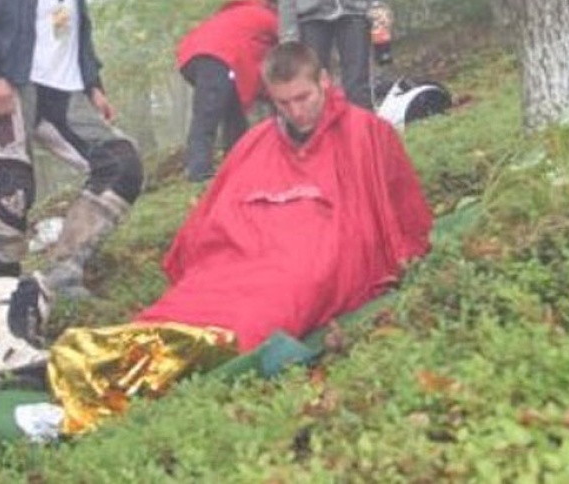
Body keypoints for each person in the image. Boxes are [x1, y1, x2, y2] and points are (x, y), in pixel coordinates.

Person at [46, 43, 433, 433]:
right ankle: (127, 351)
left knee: (288, 290)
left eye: (304, 97)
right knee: (204, 285)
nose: (297, 111)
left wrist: (403, 254)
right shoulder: (257, 141)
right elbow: (215, 213)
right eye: (284, 103)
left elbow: (401, 205)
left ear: (325, 82)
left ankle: (185, 360)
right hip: (247, 249)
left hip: (316, 249)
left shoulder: (366, 132)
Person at [0, 0, 144, 378]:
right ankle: (0, 339)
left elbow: (77, 17)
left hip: (64, 88)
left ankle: (62, 273)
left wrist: (94, 81)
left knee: (122, 163)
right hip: (13, 80)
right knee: (11, 192)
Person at [176, 0, 278, 182]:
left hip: (195, 58)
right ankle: (198, 170)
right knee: (208, 115)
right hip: (216, 58)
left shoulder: (236, 14)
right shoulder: (266, 17)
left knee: (233, 111)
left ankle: (236, 164)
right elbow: (289, 50)